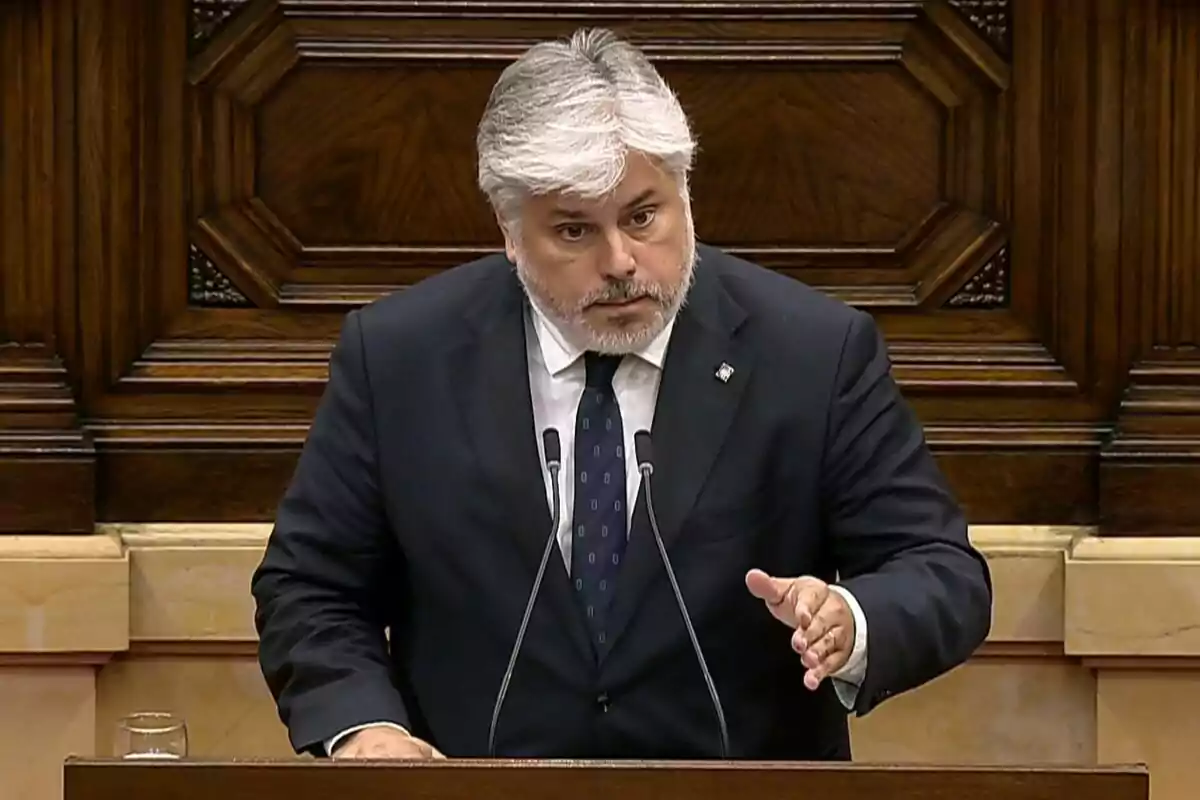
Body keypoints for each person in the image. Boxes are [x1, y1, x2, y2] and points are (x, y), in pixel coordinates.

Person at [250, 27, 992, 762]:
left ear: (684, 193)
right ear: (510, 230)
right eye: (575, 230)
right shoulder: (401, 357)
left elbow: (940, 570)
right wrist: (365, 730)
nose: (621, 262)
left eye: (643, 217)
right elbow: (312, 587)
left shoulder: (812, 352)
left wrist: (852, 620)